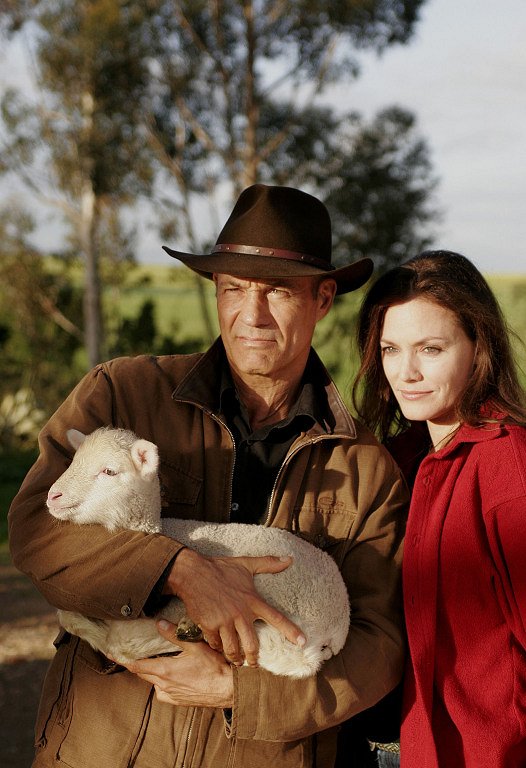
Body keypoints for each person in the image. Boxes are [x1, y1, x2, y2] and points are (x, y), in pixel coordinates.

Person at [9, 183, 408, 768]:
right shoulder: (120, 394)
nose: (252, 315)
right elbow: (36, 531)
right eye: (234, 289)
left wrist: (240, 692)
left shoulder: (366, 467)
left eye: (277, 291)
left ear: (324, 299)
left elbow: (379, 644)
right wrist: (178, 570)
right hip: (101, 752)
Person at [353, 250, 526, 768]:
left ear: (479, 346)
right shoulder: (393, 461)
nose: (405, 372)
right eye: (389, 349)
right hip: (394, 749)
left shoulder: (508, 466)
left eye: (431, 349)